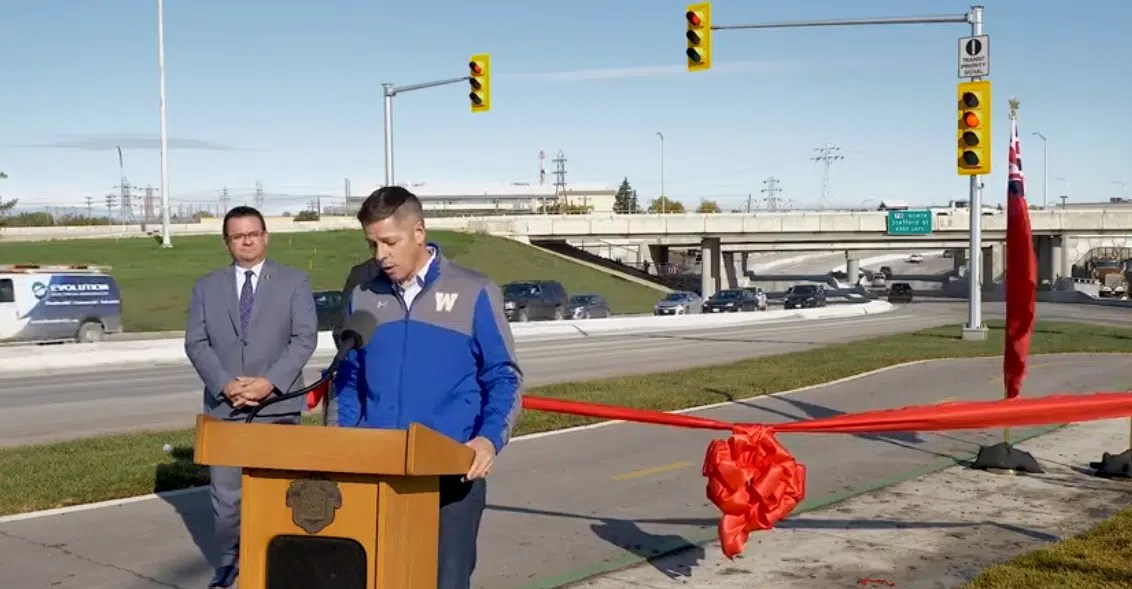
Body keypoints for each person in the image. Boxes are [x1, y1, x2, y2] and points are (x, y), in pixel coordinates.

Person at [334, 186, 523, 589]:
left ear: (419, 232)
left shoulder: (475, 291)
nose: (380, 255)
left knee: (444, 582)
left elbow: (503, 376)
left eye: (389, 242)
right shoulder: (362, 295)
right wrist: (340, 443)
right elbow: (348, 380)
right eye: (372, 244)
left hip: (451, 476)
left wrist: (489, 440)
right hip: (378, 471)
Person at [184, 205, 319, 589]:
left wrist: (268, 384)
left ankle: (280, 563)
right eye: (237, 235)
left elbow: (303, 338)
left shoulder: (294, 281)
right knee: (227, 501)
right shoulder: (206, 287)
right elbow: (195, 341)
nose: (246, 240)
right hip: (225, 408)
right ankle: (230, 564)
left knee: (281, 494)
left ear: (265, 236)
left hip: (277, 406)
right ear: (227, 242)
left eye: (253, 233)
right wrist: (225, 384)